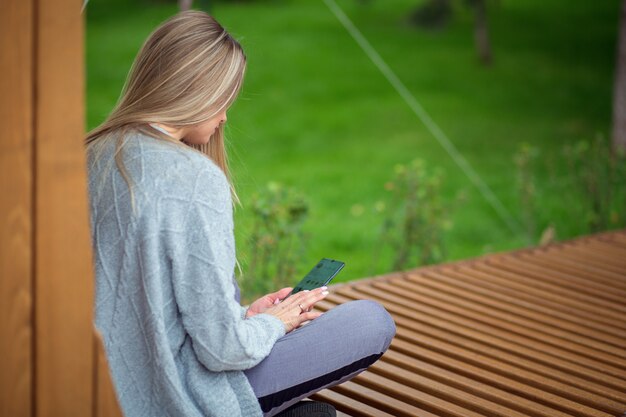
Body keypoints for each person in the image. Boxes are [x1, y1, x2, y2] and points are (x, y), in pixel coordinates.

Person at [86, 10, 396, 417]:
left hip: (101, 383)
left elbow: (141, 300)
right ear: (198, 89)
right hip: (174, 393)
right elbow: (221, 351)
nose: (225, 116)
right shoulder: (193, 177)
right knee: (369, 321)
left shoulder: (89, 154)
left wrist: (245, 316)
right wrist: (273, 325)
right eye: (225, 98)